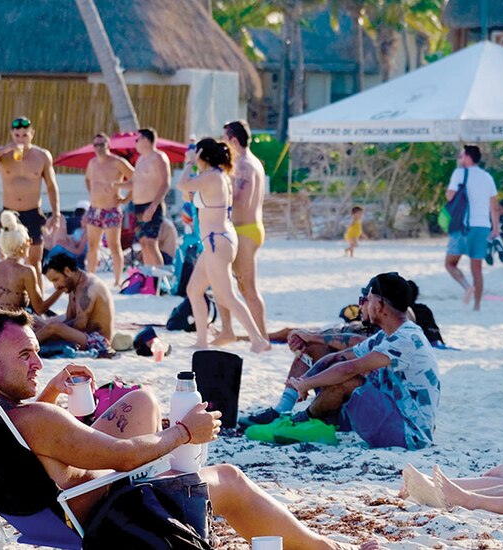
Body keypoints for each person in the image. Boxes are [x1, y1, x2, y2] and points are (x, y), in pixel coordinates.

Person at [0, 310, 378, 549]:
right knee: (229, 480)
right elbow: (123, 458)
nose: (38, 363)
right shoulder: (35, 420)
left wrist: (51, 391)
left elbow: (39, 446)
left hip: (66, 506)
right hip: (108, 507)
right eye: (25, 355)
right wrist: (183, 431)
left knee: (142, 399)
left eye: (37, 352)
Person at [245, 273, 440, 450]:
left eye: (368, 299)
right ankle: (304, 422)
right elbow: (340, 357)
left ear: (379, 305)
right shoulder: (388, 336)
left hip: (409, 435)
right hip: (393, 419)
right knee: (339, 367)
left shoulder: (406, 339)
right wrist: (301, 383)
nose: (362, 304)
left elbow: (350, 368)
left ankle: (300, 422)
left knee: (351, 380)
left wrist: (306, 384)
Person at [175, 138, 270, 353]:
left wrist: (189, 162)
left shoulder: (211, 177)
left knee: (226, 296)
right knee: (194, 289)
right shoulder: (216, 176)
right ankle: (201, 341)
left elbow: (182, 185)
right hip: (217, 241)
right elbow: (188, 193)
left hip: (218, 241)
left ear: (203, 156)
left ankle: (258, 339)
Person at [0, 116, 62, 290]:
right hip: (9, 213)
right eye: (17, 135)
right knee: (7, 259)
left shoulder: (42, 156)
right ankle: (6, 297)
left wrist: (56, 213)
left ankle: (37, 302)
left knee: (34, 261)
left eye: (24, 135)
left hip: (32, 212)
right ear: (12, 135)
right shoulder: (3, 154)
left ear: (32, 134)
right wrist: (6, 149)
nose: (20, 139)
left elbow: (51, 186)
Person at [214, 120, 269, 345]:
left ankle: (261, 337)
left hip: (244, 230)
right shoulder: (251, 162)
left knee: (247, 288)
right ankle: (228, 330)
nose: (223, 144)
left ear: (234, 141)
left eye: (225, 139)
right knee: (226, 282)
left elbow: (242, 202)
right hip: (249, 229)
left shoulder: (244, 165)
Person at [444, 145, 500, 311]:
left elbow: (450, 196)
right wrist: (495, 228)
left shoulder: (459, 173)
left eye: (461, 155)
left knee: (450, 263)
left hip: (463, 225)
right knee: (477, 268)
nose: (460, 158)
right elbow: (494, 207)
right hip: (483, 227)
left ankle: (466, 286)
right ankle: (477, 305)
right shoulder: (487, 177)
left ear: (468, 157)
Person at [34, 252, 115, 355]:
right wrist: (45, 326)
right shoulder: (74, 285)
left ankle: (27, 344)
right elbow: (69, 318)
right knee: (45, 324)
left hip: (99, 341)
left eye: (56, 280)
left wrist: (49, 329)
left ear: (67, 271)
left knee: (54, 327)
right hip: (85, 335)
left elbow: (80, 325)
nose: (55, 286)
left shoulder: (87, 288)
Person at [0, 211, 57, 314]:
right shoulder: (26, 271)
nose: (30, 243)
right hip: (13, 323)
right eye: (28, 241)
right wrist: (60, 291)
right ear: (22, 247)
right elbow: (39, 308)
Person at [83, 133, 133, 286]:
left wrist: (125, 198)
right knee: (92, 246)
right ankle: (91, 277)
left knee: (114, 245)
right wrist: (93, 193)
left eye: (102, 144)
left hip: (111, 209)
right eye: (96, 145)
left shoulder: (118, 162)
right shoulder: (92, 163)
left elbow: (135, 180)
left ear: (108, 145)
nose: (99, 148)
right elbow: (87, 179)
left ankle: (117, 280)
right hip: (95, 209)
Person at [130, 127, 170, 268]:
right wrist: (114, 186)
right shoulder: (140, 160)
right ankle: (150, 280)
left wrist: (153, 207)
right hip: (139, 205)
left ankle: (161, 281)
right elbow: (135, 183)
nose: (135, 143)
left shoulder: (158, 157)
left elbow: (165, 183)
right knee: (143, 243)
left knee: (151, 243)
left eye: (137, 139)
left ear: (146, 140)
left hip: (152, 205)